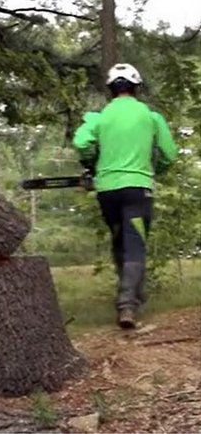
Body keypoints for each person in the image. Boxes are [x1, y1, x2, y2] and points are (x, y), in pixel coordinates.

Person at [72, 63, 177, 329]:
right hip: (138, 189)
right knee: (135, 242)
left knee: (119, 239)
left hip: (107, 191)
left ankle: (132, 297)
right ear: (137, 87)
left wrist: (92, 164)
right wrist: (157, 170)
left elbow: (81, 143)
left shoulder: (98, 117)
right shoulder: (151, 117)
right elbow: (169, 154)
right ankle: (128, 303)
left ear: (110, 89)